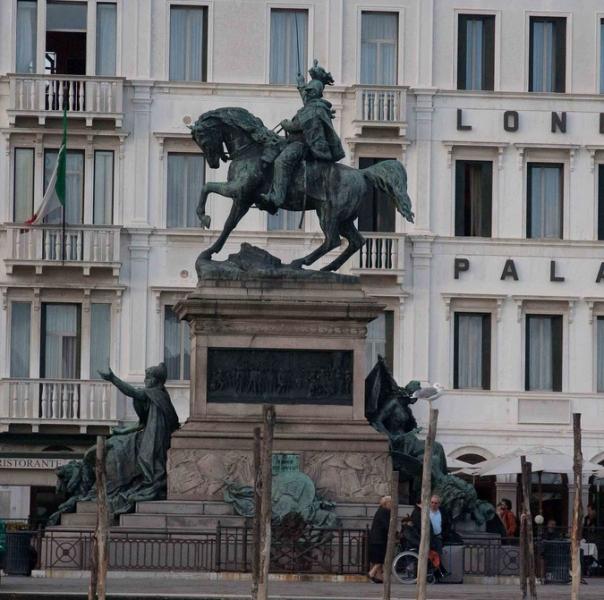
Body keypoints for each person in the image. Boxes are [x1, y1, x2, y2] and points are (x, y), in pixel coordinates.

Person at [260, 60, 345, 213]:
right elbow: (306, 101)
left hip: (303, 146)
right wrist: (301, 84)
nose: (306, 93)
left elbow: (301, 126)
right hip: (294, 142)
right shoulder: (313, 105)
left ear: (315, 93)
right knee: (270, 146)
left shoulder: (315, 109)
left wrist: (287, 125)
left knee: (281, 162)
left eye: (308, 91)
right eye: (306, 91)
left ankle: (277, 197)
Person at [410, 495, 451, 580]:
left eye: (436, 503)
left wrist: (444, 534)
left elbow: (447, 524)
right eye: (432, 502)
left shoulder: (442, 512)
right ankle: (432, 574)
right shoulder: (424, 512)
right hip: (427, 537)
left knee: (437, 555)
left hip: (438, 537)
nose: (433, 504)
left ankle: (436, 576)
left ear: (439, 504)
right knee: (429, 556)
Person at [368, 495, 392, 583]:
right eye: (391, 503)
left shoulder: (380, 511)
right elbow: (387, 525)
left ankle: (379, 577)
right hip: (379, 539)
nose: (392, 505)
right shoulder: (385, 512)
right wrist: (395, 533)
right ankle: (372, 572)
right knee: (381, 558)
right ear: (386, 503)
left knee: (379, 558)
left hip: (376, 538)